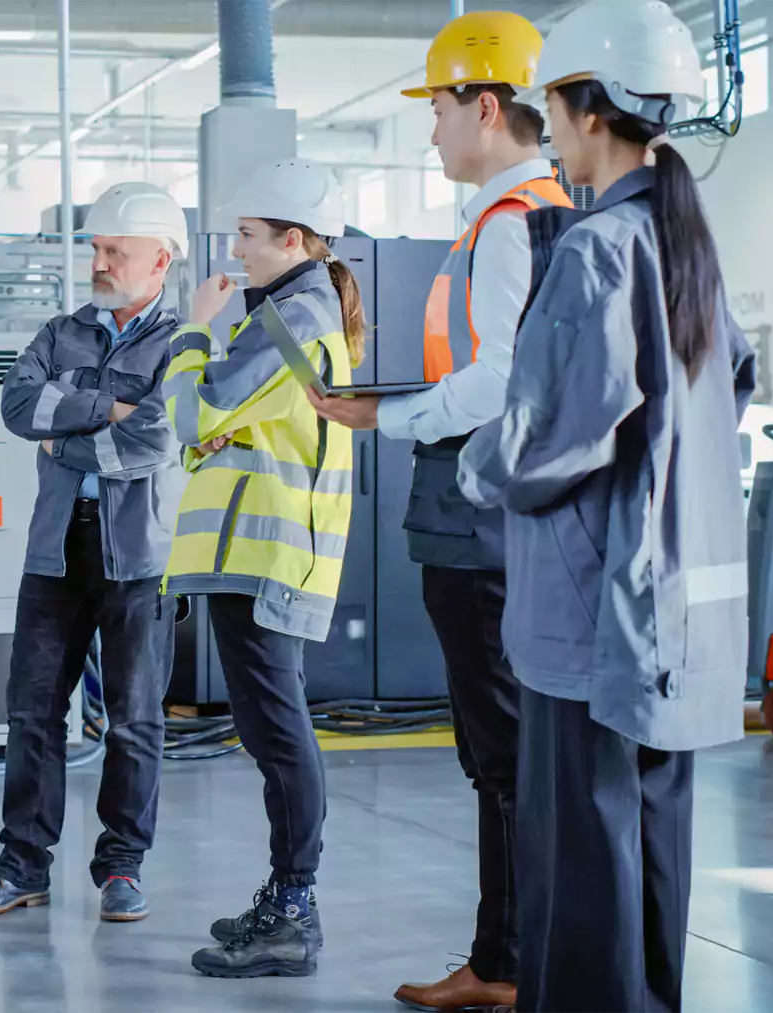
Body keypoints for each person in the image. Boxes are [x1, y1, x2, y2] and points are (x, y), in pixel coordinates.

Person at [456, 2, 756, 1011]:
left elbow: (550, 441)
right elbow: (721, 398)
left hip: (591, 616)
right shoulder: (690, 249)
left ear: (585, 112)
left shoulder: (595, 250)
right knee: (649, 848)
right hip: (676, 608)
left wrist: (472, 466)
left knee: (580, 870)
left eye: (552, 105)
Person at [305, 11, 568, 1010]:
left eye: (441, 108)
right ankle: (507, 954)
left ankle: (507, 962)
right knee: (500, 749)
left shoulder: (512, 225)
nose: (432, 131)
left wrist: (390, 415)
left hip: (482, 513)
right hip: (487, 509)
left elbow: (500, 380)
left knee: (500, 750)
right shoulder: (518, 217)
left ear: (487, 107)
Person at [0, 182, 188, 924]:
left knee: (135, 718)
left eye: (116, 250)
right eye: (97, 248)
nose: (101, 261)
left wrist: (72, 433)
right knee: (31, 713)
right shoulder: (62, 331)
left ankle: (121, 866)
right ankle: (22, 862)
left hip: (141, 557)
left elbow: (158, 435)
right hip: (55, 551)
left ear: (160, 260)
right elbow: (19, 407)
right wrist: (111, 408)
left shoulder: (183, 345)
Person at [160, 160, 365, 979]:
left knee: (279, 735)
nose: (234, 249)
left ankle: (293, 906)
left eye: (246, 235)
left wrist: (192, 330)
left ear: (291, 238)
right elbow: (220, 423)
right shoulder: (287, 313)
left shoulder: (292, 320)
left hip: (269, 553)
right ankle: (285, 895)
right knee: (269, 732)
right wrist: (214, 417)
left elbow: (197, 408)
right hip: (255, 551)